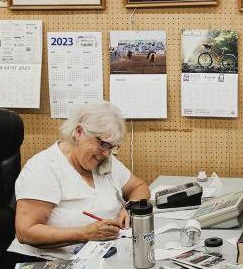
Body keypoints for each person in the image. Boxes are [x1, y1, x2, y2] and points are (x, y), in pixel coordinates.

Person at [9, 102, 150, 260]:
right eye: (103, 144)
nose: (106, 154)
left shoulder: (102, 160)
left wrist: (131, 207)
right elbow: (26, 232)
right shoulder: (44, 167)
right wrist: (86, 233)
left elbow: (139, 187)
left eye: (112, 148)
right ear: (79, 132)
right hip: (47, 261)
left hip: (100, 254)